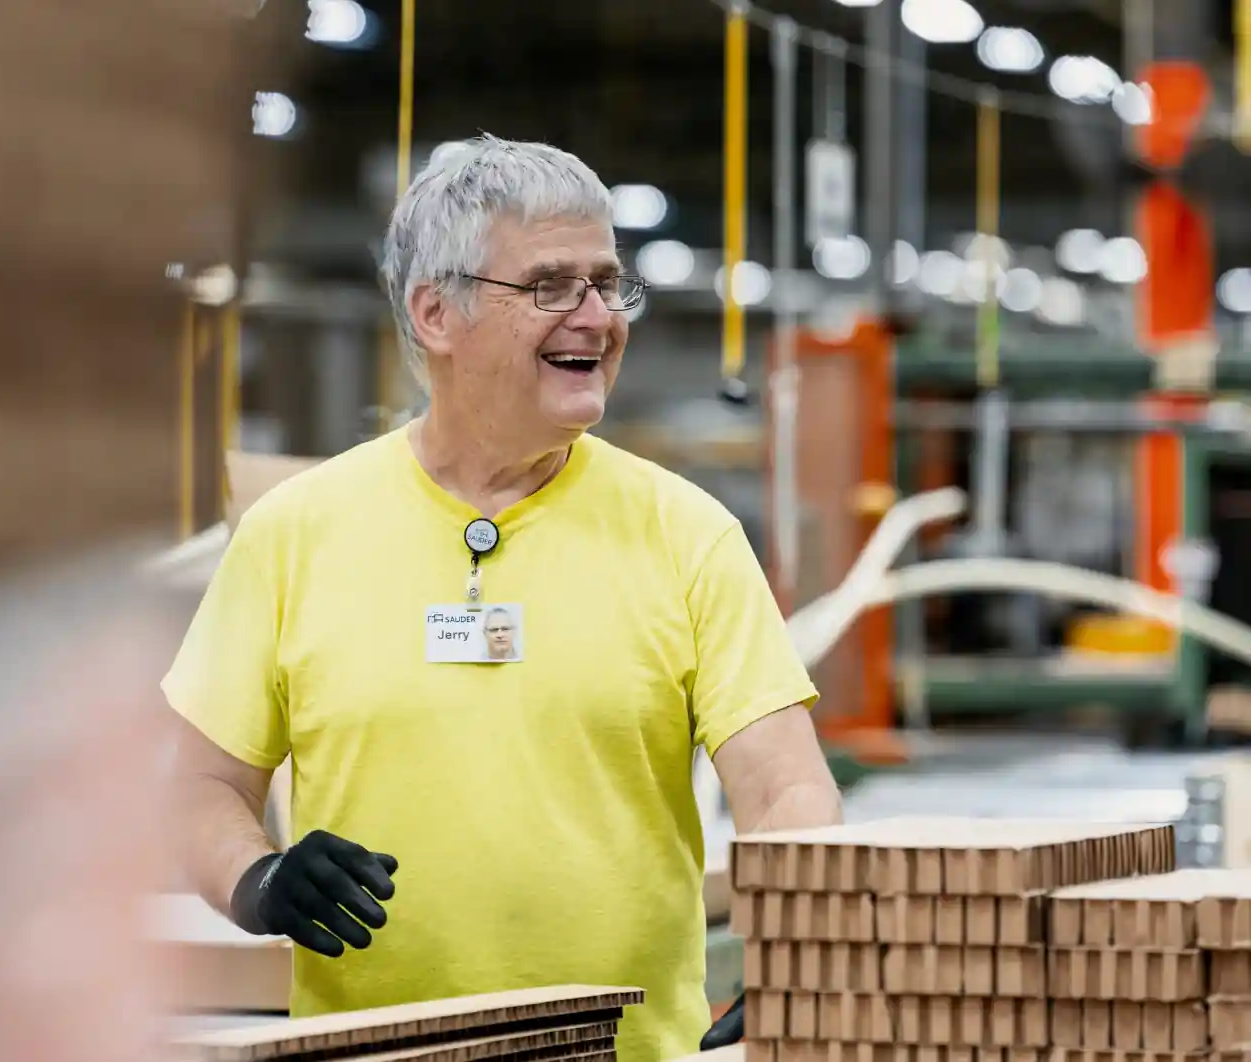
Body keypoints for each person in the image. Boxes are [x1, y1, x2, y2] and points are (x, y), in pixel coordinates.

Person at [166, 134, 842, 1062]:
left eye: (609, 283)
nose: (597, 316)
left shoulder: (687, 534)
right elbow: (201, 785)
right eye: (552, 286)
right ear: (436, 312)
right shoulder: (296, 532)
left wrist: (801, 952)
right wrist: (261, 878)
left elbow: (787, 787)